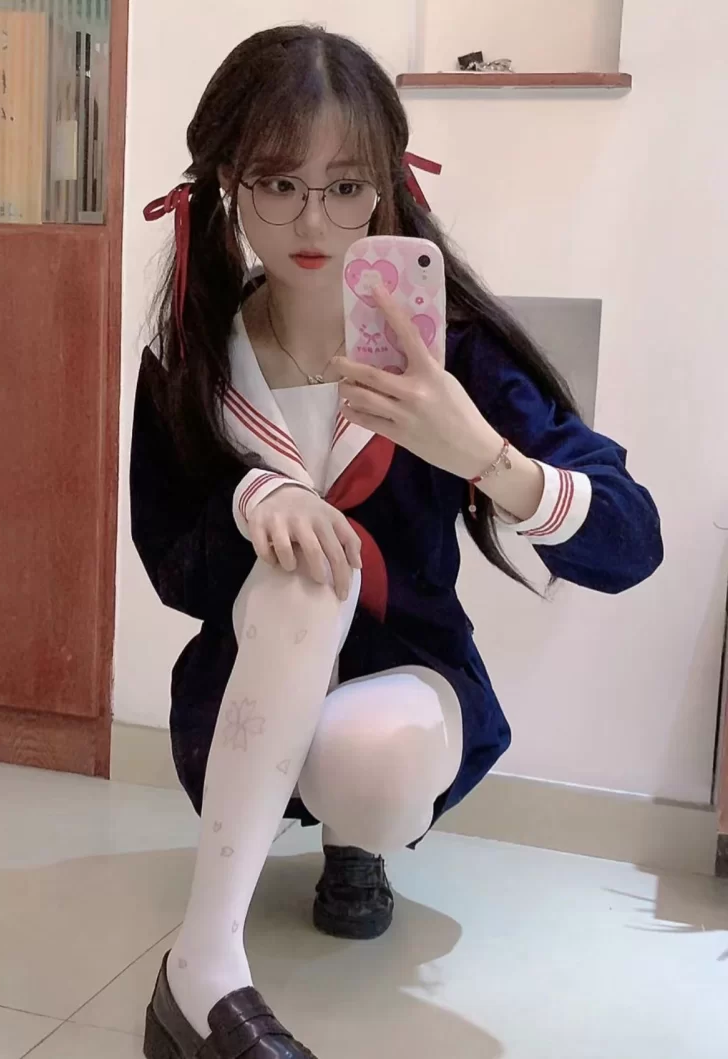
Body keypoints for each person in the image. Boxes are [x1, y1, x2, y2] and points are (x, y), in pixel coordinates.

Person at [131, 25, 663, 1059]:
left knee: (369, 765)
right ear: (227, 182)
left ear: (388, 185)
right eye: (277, 182)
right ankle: (205, 965)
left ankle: (351, 841)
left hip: (402, 692)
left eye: (346, 186)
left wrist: (484, 455)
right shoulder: (193, 357)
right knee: (302, 573)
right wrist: (252, 501)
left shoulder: (448, 354)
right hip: (243, 688)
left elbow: (629, 541)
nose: (312, 220)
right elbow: (168, 560)